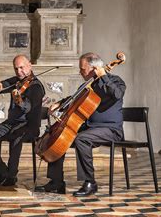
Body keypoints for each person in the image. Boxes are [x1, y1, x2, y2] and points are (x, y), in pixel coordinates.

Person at [35, 52, 126, 196]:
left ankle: (90, 182)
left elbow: (117, 94)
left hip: (110, 129)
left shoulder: (116, 81)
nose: (80, 72)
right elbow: (74, 99)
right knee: (60, 138)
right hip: (90, 127)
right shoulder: (89, 85)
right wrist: (59, 104)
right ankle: (56, 182)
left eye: (82, 69)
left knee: (82, 139)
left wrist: (104, 77)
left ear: (95, 68)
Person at [0, 55, 45, 186]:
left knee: (16, 135)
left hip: (28, 126)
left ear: (30, 65)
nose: (19, 71)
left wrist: (19, 100)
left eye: (22, 67)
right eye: (16, 69)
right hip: (10, 124)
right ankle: (3, 171)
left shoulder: (36, 87)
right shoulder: (17, 81)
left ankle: (11, 175)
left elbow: (28, 108)